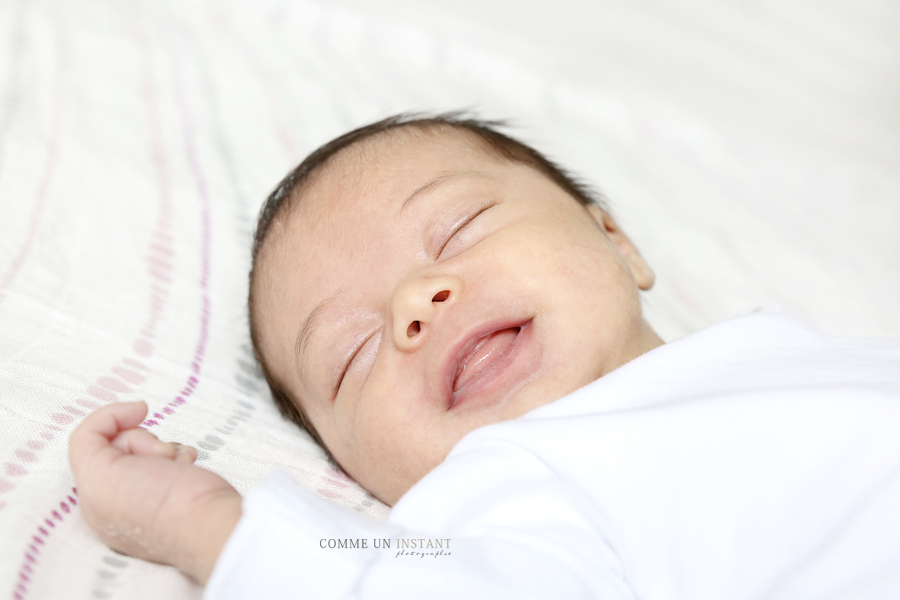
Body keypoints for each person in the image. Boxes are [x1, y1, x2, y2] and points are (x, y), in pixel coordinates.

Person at [69, 114, 900, 599]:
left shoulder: (781, 346)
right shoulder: (509, 485)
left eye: (459, 230)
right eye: (352, 354)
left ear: (617, 242)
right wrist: (200, 523)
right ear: (363, 477)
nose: (412, 304)